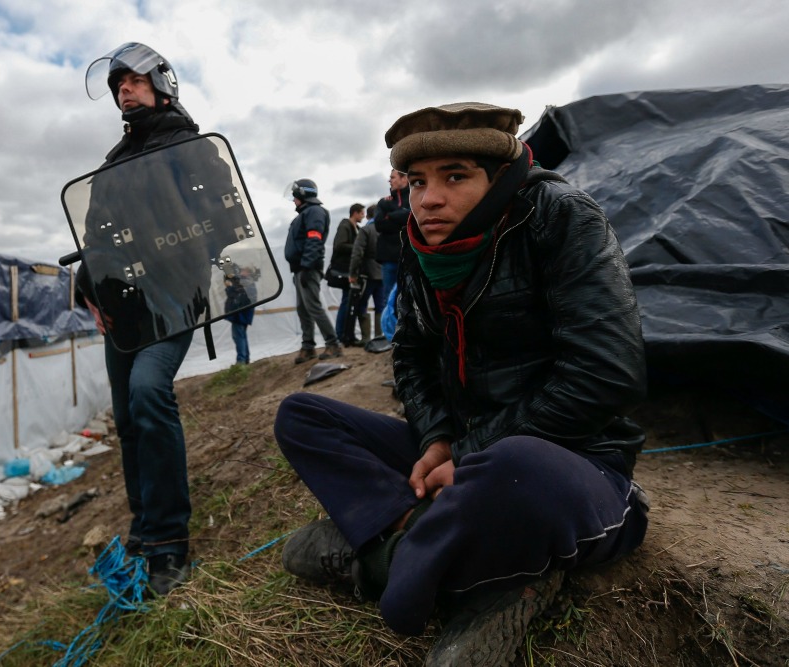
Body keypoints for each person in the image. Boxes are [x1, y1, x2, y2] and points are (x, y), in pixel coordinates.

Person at [275, 102, 649, 665]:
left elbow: (607, 373)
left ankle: (376, 560)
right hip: (464, 451)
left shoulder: (558, 215)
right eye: (417, 181)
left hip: (568, 459)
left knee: (513, 466)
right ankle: (429, 539)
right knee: (301, 417)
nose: (428, 200)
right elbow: (412, 357)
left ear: (499, 177)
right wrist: (437, 439)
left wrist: (472, 452)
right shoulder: (423, 244)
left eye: (454, 177)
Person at [74, 42, 203, 596]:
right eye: (118, 84)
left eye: (134, 80)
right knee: (127, 417)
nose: (124, 88)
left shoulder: (191, 146)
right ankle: (145, 525)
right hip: (122, 305)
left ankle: (170, 543)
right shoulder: (111, 163)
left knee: (151, 392)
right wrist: (88, 290)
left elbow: (221, 220)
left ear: (161, 83)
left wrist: (175, 255)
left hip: (173, 296)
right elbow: (97, 239)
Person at [284, 179, 341, 363]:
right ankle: (308, 347)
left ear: (303, 194)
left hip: (308, 268)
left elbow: (314, 240)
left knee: (314, 307)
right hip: (300, 269)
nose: (293, 200)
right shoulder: (305, 213)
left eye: (295, 196)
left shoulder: (314, 212)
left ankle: (333, 344)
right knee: (303, 309)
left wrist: (308, 267)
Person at [329, 203, 365, 346]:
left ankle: (347, 335)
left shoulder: (357, 228)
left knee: (349, 301)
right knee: (346, 302)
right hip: (343, 270)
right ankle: (341, 334)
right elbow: (339, 245)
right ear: (355, 213)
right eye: (361, 213)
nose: (363, 216)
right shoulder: (345, 226)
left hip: (351, 270)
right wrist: (358, 247)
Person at [348, 203, 384, 346]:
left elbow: (357, 254)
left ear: (368, 215)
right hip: (383, 273)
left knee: (362, 304)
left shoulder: (366, 230)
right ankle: (380, 336)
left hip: (367, 274)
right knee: (381, 306)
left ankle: (366, 338)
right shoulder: (385, 230)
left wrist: (353, 273)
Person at [373, 169, 410, 300]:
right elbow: (379, 224)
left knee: (410, 296)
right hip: (389, 259)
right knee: (389, 297)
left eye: (393, 177)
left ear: (404, 179)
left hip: (410, 258)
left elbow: (414, 218)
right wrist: (403, 215)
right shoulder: (384, 202)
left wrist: (390, 216)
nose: (390, 180)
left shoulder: (414, 198)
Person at [224, 264, 257, 365]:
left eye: (243, 270)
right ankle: (245, 358)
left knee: (238, 336)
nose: (240, 272)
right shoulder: (248, 282)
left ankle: (241, 360)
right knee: (241, 336)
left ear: (248, 272)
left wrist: (229, 287)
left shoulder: (246, 282)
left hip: (240, 315)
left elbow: (238, 297)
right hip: (242, 315)